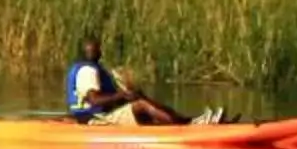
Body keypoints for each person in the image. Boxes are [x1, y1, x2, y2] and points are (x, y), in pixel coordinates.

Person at [66, 37, 199, 126]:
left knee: (140, 99)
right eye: (96, 49)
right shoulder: (88, 70)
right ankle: (185, 126)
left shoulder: (89, 68)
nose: (99, 51)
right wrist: (122, 95)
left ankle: (185, 120)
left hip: (97, 116)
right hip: (95, 119)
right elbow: (94, 100)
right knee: (141, 105)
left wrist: (128, 94)